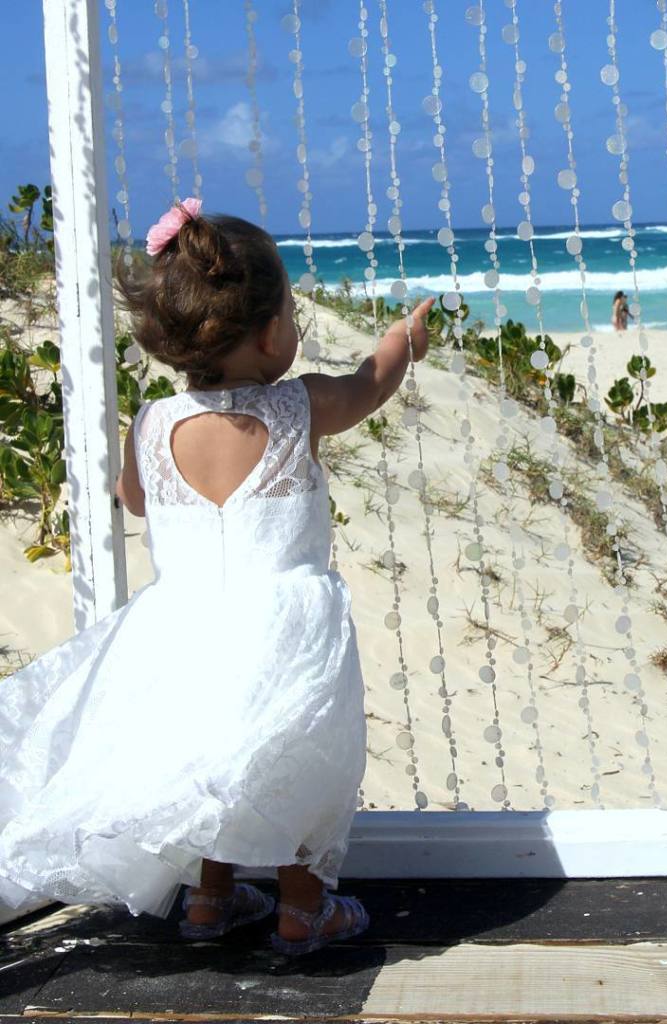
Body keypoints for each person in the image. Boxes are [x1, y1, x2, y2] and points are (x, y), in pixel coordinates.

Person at [0, 199, 434, 957]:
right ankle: (303, 911)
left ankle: (209, 899)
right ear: (268, 335)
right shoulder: (300, 407)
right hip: (287, 631)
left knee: (210, 761)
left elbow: (135, 496)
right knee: (294, 762)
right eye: (291, 314)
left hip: (183, 630)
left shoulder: (152, 423)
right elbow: (370, 384)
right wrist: (404, 339)